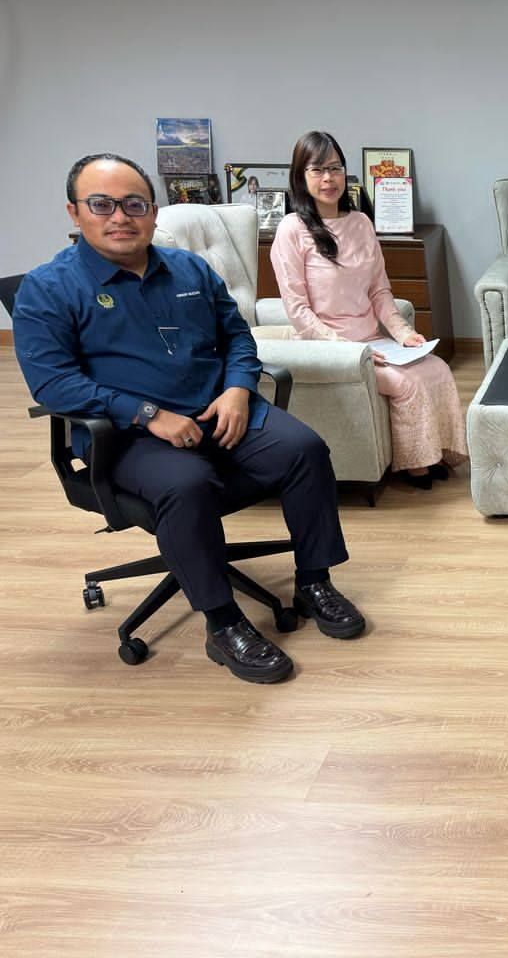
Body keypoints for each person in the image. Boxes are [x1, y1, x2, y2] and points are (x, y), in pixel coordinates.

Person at [13, 153, 367, 684]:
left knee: (305, 450)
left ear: (153, 212)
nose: (120, 217)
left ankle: (314, 582)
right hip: (129, 436)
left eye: (134, 204)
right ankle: (223, 624)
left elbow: (238, 338)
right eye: (102, 204)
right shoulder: (48, 288)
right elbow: (54, 383)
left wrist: (238, 390)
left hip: (218, 410)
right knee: (188, 484)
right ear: (74, 212)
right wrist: (147, 414)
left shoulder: (190, 269)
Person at [271, 131, 467, 488]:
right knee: (405, 384)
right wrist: (347, 348)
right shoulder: (292, 230)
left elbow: (379, 290)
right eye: (317, 170)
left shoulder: (360, 223)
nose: (328, 178)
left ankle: (435, 453)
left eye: (335, 168)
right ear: (300, 176)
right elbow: (298, 311)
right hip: (331, 348)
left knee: (437, 368)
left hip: (373, 340)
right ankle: (415, 465)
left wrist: (404, 333)